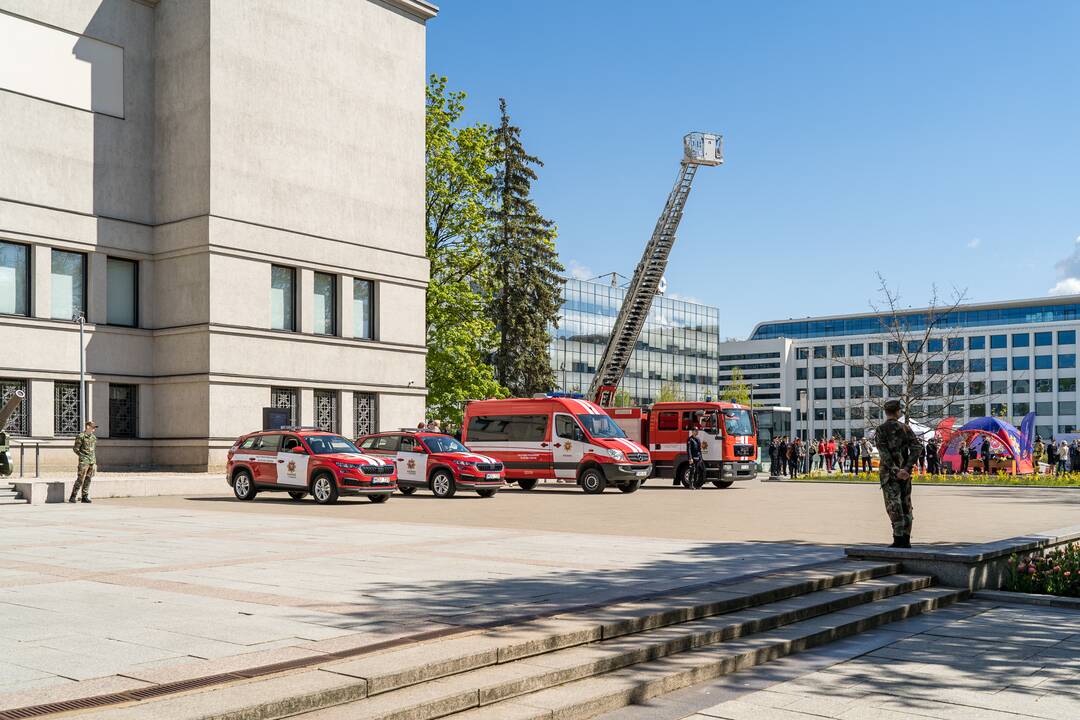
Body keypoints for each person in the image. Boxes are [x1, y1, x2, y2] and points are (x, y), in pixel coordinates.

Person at [875, 400, 922, 548]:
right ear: (898, 412)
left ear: (886, 412)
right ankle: (906, 539)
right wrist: (906, 468)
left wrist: (896, 471)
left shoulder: (881, 430)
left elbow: (884, 455)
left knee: (893, 504)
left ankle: (898, 538)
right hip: (905, 474)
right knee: (906, 504)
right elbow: (917, 447)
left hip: (889, 475)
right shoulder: (906, 428)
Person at [70, 421, 98, 504]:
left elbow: (93, 450)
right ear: (87, 427)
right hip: (84, 461)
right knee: (80, 479)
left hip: (92, 461)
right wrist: (82, 457)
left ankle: (84, 496)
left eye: (94, 428)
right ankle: (73, 496)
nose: (94, 429)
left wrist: (94, 461)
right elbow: (76, 449)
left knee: (88, 479)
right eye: (93, 427)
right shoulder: (81, 436)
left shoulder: (93, 437)